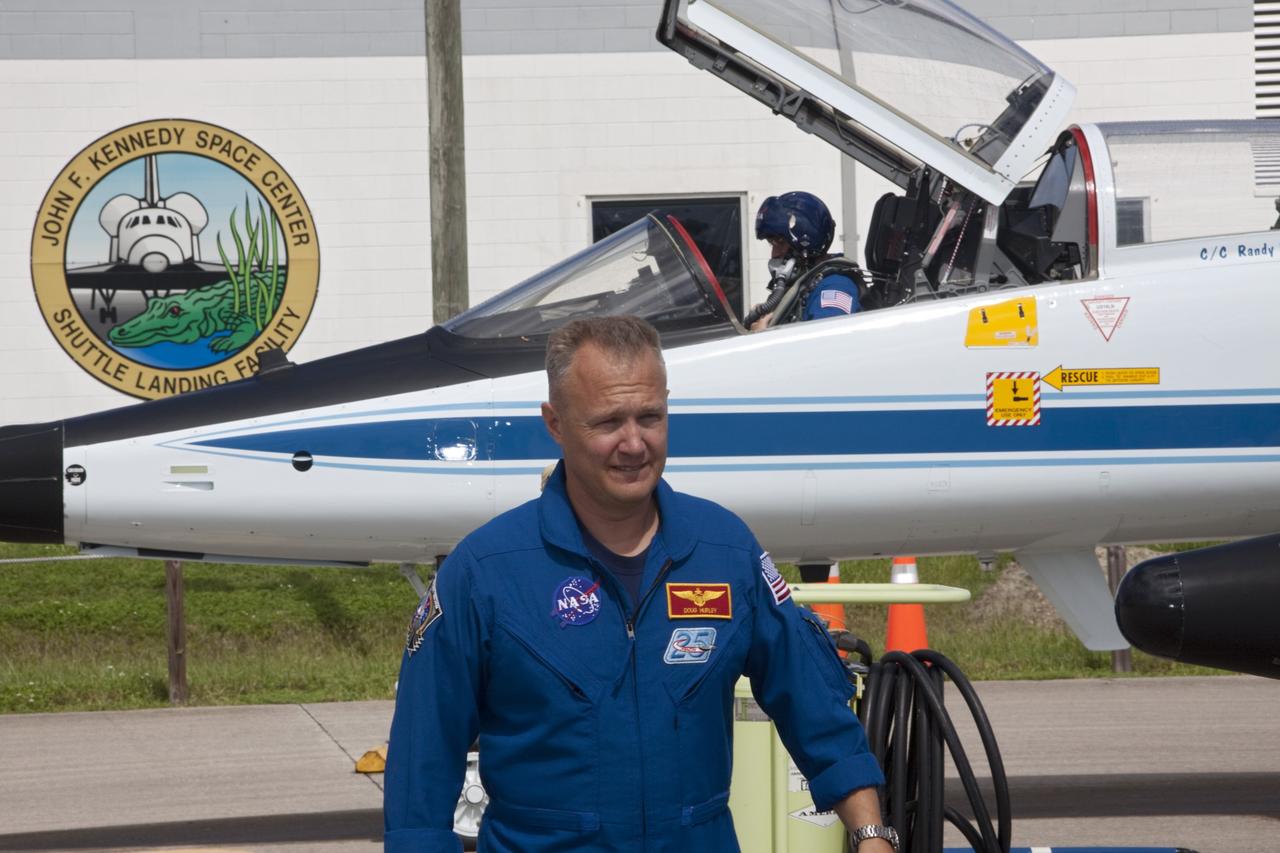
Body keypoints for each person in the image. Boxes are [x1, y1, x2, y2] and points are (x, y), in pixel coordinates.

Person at [384, 315, 895, 853]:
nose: (634, 443)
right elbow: (423, 767)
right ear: (554, 423)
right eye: (608, 422)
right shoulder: (485, 573)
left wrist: (870, 833)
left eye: (650, 416)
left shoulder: (725, 552)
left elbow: (813, 704)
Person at [748, 191, 864, 330]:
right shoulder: (804, 285)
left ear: (807, 243)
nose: (775, 253)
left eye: (780, 243)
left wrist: (764, 337)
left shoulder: (835, 286)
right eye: (772, 244)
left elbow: (825, 345)